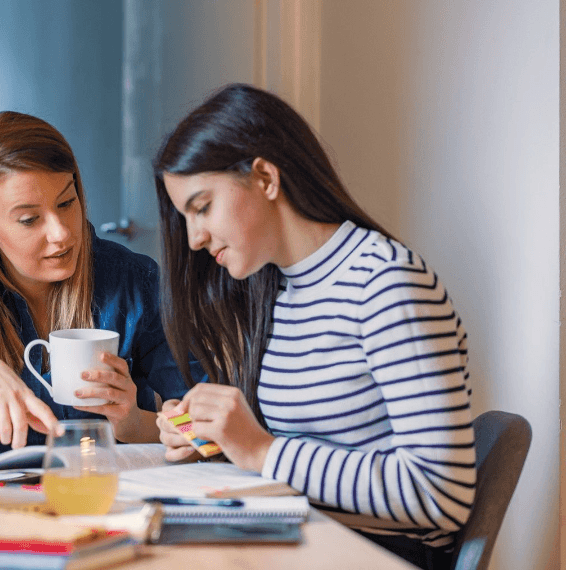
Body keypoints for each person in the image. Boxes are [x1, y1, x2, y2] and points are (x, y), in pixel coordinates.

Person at [152, 84, 475, 570]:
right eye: (186, 217)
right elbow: (305, 454)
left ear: (264, 177)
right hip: (304, 536)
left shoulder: (386, 283)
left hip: (376, 554)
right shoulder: (278, 291)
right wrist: (213, 438)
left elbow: (441, 493)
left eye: (202, 207)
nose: (195, 238)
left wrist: (260, 449)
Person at [0, 111, 191, 464]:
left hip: (105, 501)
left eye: (67, 203)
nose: (62, 233)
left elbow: (200, 431)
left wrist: (132, 422)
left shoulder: (135, 282)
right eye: (29, 219)